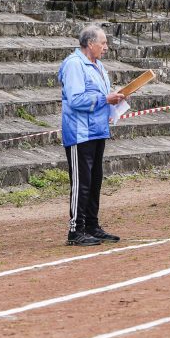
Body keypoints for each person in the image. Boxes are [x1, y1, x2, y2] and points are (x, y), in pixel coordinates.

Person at [59, 24, 125, 247]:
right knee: (82, 182)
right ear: (90, 43)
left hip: (97, 130)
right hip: (80, 132)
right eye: (103, 43)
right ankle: (75, 229)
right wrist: (106, 100)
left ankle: (91, 225)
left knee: (95, 180)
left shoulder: (98, 66)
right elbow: (76, 99)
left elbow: (101, 96)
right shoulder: (74, 65)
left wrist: (113, 104)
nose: (106, 47)